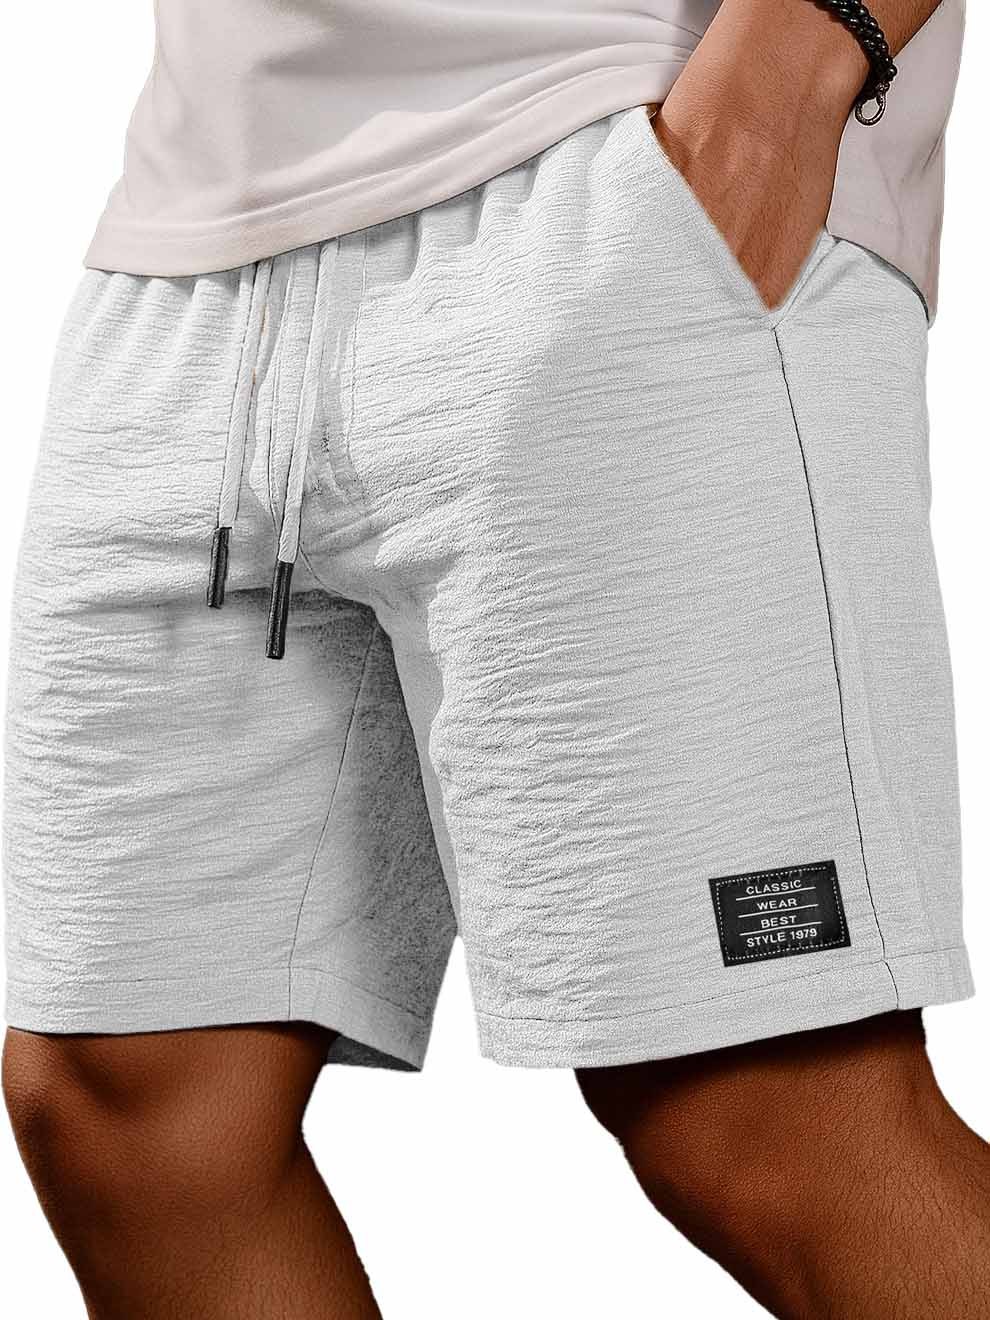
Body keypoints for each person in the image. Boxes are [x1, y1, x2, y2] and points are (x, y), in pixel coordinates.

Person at [3, 0, 987, 1316]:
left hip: (609, 156)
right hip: (192, 252)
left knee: (770, 1115)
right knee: (130, 1098)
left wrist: (794, 63)